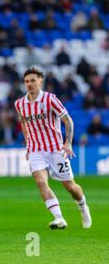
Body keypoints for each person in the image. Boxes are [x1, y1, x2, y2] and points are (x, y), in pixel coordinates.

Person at [14, 67, 92, 229]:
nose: (29, 84)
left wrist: (68, 142)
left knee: (70, 187)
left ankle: (83, 207)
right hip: (36, 150)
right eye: (27, 81)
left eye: (33, 80)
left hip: (56, 149)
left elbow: (68, 120)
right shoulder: (20, 103)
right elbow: (23, 122)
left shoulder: (50, 99)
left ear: (40, 81)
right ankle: (59, 218)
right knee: (41, 181)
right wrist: (28, 144)